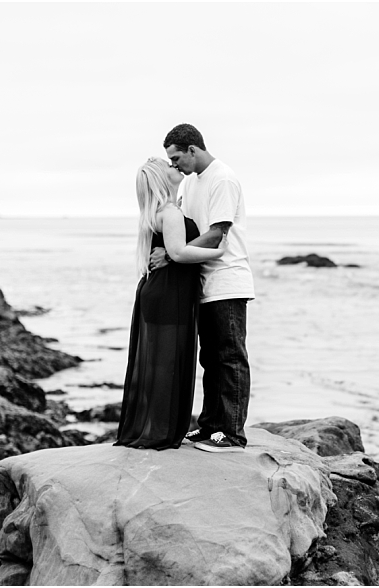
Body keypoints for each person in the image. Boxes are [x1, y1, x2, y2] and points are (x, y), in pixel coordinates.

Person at [150, 123, 255, 453]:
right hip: (202, 282)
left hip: (227, 280)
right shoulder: (189, 183)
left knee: (230, 358)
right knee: (210, 358)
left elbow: (216, 233)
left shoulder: (222, 178)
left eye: (177, 157)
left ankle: (233, 434)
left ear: (193, 149)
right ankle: (211, 426)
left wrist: (171, 255)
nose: (174, 165)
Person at [114, 157, 226, 450]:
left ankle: (154, 428)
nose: (173, 166)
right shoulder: (170, 212)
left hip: (160, 292)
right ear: (160, 180)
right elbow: (177, 253)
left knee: (160, 364)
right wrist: (219, 252)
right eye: (167, 165)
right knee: (167, 364)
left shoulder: (160, 212)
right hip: (168, 294)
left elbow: (171, 252)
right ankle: (160, 432)